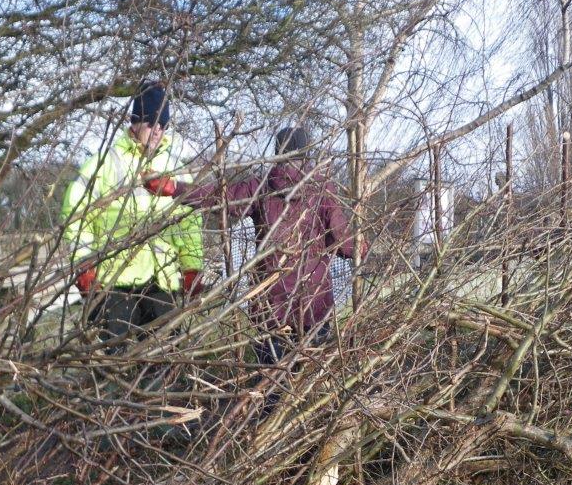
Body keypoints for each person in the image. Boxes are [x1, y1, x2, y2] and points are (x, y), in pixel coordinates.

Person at [144, 126, 355, 364]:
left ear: (278, 152)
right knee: (310, 378)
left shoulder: (262, 186)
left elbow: (219, 198)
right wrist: (362, 245)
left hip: (272, 306)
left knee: (271, 380)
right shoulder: (323, 190)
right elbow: (346, 243)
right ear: (308, 155)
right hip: (314, 304)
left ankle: (269, 400)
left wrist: (175, 188)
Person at [61, 81, 204, 343]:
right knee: (116, 360)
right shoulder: (104, 164)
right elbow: (76, 218)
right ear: (136, 122)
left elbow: (190, 222)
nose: (158, 132)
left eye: (163, 125)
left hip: (162, 281)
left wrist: (192, 267)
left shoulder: (176, 169)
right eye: (152, 124)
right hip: (114, 283)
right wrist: (85, 266)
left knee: (165, 359)